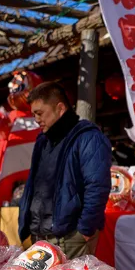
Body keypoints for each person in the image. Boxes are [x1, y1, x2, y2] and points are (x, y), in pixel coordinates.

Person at [18, 82, 112, 258]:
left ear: (60, 108)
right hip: (39, 238)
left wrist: (85, 230)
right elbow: (33, 186)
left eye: (40, 113)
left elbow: (97, 186)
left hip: (70, 239)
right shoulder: (43, 141)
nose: (37, 119)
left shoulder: (88, 137)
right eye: (34, 115)